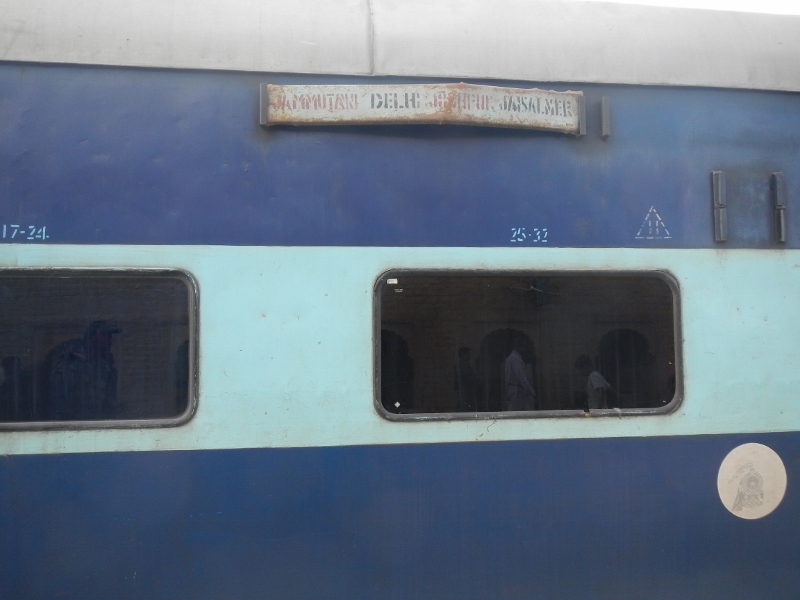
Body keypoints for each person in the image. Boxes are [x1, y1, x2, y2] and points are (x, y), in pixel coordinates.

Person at [44, 320, 119, 420]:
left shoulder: (106, 367)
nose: (111, 341)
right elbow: (58, 401)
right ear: (93, 338)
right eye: (106, 336)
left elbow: (107, 400)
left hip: (99, 423)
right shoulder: (70, 363)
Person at [504, 339, 536, 411]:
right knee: (519, 413)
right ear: (518, 347)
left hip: (512, 390)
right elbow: (522, 378)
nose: (524, 349)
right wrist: (531, 391)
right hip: (517, 391)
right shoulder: (516, 359)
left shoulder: (509, 359)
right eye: (523, 347)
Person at [454, 346, 478, 412]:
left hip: (465, 393)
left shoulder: (461, 365)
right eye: (467, 354)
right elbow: (468, 378)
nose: (469, 356)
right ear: (463, 355)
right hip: (466, 393)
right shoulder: (463, 366)